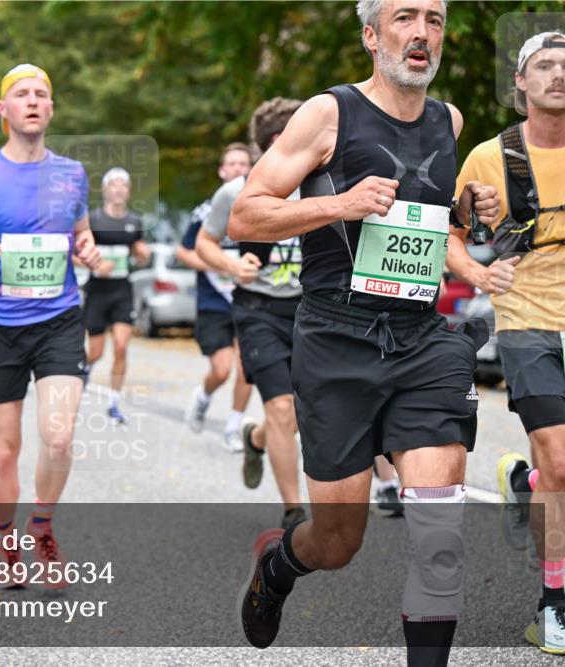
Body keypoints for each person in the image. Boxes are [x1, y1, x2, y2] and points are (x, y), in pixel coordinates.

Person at [229, 3, 500, 664]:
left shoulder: (449, 120)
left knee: (439, 528)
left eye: (434, 20)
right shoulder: (329, 114)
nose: (422, 33)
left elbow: (433, 228)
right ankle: (279, 563)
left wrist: (467, 215)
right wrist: (338, 204)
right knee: (338, 539)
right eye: (405, 17)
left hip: (422, 337)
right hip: (336, 339)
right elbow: (245, 215)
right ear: (372, 36)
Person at [0, 64, 101, 588]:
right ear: (3, 110)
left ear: (50, 109)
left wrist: (87, 248)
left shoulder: (72, 174)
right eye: (21, 95)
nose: (32, 101)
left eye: (41, 95)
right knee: (4, 447)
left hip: (58, 320)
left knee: (57, 439)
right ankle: (6, 537)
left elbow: (81, 235)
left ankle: (42, 530)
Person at [446, 30, 565, 654]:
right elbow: (450, 233)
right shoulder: (493, 157)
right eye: (544, 66)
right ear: (520, 82)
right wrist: (478, 273)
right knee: (564, 462)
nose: (558, 75)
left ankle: (522, 483)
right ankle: (555, 605)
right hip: (527, 322)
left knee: (554, 472)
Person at [196, 101, 306, 529]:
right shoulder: (237, 190)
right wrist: (229, 265)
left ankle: (256, 439)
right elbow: (206, 242)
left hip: (309, 310)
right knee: (281, 408)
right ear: (275, 143)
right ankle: (294, 511)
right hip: (258, 310)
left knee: (303, 411)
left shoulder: (323, 185)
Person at [177, 143, 256, 452]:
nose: (238, 168)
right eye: (232, 164)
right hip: (213, 299)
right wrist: (216, 264)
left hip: (246, 297)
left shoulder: (255, 205)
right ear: (222, 171)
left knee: (246, 365)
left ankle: (234, 426)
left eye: (243, 164)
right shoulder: (205, 210)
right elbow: (184, 250)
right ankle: (203, 396)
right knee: (222, 369)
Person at [82, 167, 151, 424]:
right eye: (115, 184)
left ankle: (113, 403)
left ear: (128, 191)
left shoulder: (134, 221)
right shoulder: (93, 219)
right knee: (96, 351)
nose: (119, 189)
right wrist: (96, 265)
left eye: (124, 184)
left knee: (121, 346)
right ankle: (85, 370)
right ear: (106, 189)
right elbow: (77, 255)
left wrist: (142, 254)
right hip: (97, 291)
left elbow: (137, 251)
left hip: (122, 290)